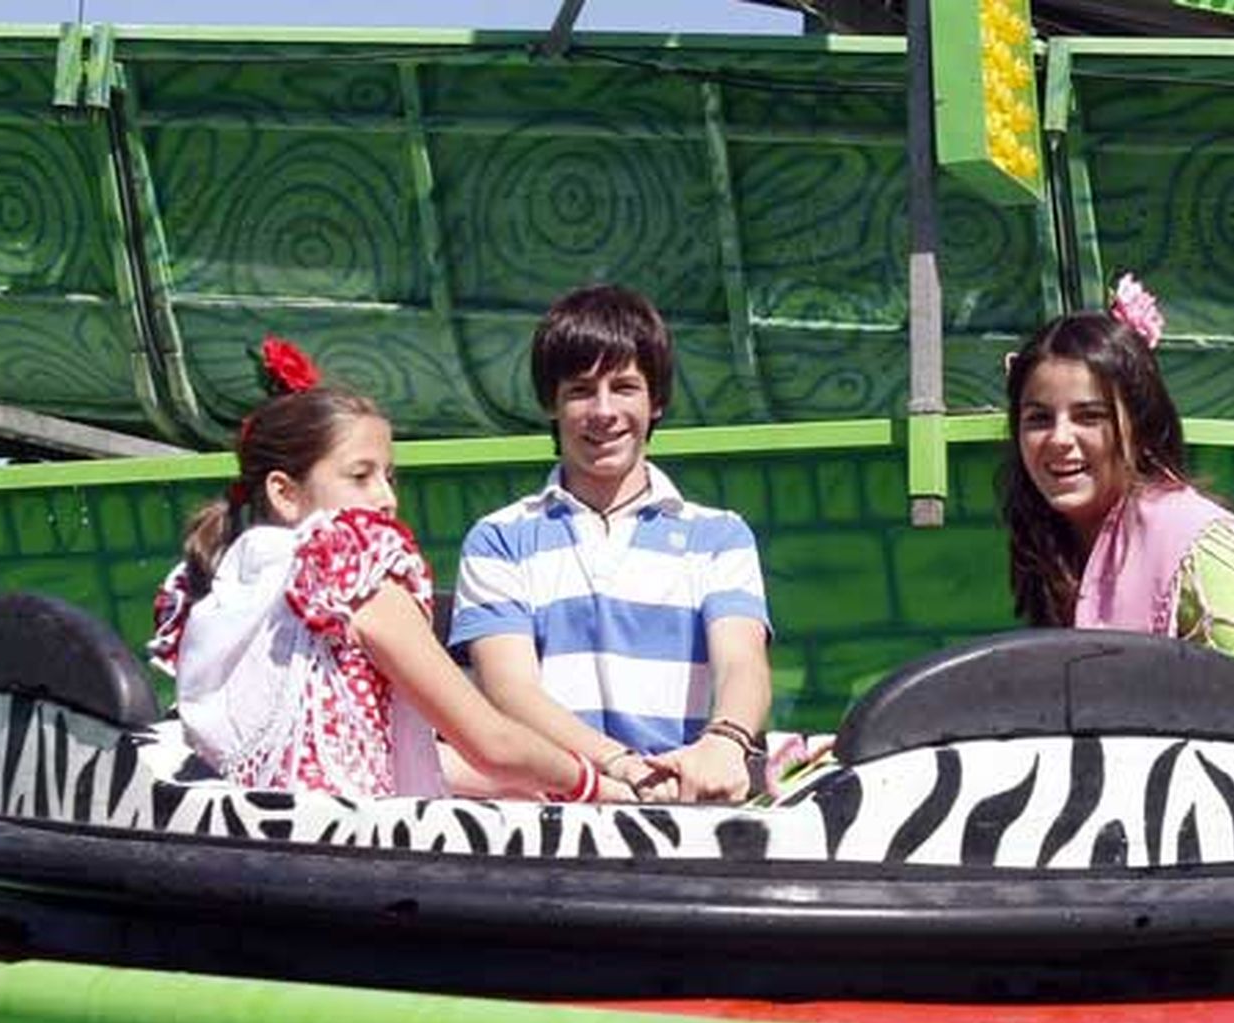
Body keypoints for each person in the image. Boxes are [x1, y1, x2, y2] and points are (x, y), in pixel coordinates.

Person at [149, 337, 629, 803]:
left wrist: (526, 784)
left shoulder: (239, 580)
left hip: (265, 843)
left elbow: (367, 751)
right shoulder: (354, 569)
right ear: (284, 492)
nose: (386, 498)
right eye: (360, 476)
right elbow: (492, 742)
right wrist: (596, 783)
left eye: (389, 477)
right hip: (353, 851)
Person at [1001, 275, 1234, 753]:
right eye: (1039, 419)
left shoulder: (1195, 540)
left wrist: (1148, 715)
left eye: (1091, 417)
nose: (1060, 438)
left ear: (1141, 425)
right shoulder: (1053, 541)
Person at [448, 285, 772, 802]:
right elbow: (510, 691)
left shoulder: (720, 536)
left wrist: (724, 743)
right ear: (550, 404)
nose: (603, 411)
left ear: (657, 401)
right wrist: (618, 768)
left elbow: (743, 663)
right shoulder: (499, 539)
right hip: (550, 818)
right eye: (580, 390)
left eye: (624, 387)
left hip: (682, 816)